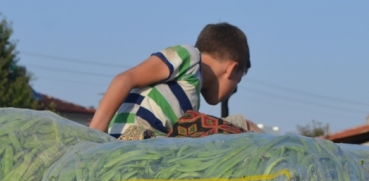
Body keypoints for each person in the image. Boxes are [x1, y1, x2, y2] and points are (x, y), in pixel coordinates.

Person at [90, 22, 253, 138]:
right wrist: (92, 137)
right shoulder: (190, 57)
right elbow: (124, 79)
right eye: (236, 83)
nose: (233, 90)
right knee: (243, 126)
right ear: (232, 69)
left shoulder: (191, 99)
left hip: (147, 151)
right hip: (131, 139)